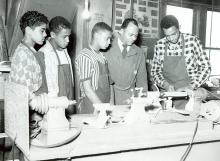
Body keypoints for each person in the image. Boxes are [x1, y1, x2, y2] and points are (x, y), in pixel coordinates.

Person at [151, 15, 211, 109]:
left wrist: (191, 86)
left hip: (189, 95)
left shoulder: (192, 41)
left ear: (179, 28)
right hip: (168, 96)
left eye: (174, 34)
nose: (171, 39)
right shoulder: (159, 45)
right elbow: (155, 72)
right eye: (167, 36)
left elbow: (206, 67)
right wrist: (165, 85)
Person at [9, 10, 48, 139]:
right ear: (28, 30)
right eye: (42, 31)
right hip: (26, 122)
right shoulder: (22, 54)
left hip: (34, 119)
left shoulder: (30, 52)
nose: (45, 34)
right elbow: (21, 96)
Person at [105, 18, 148, 105]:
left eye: (135, 36)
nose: (133, 38)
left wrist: (142, 101)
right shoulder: (106, 47)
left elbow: (142, 80)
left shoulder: (139, 53)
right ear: (121, 31)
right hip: (109, 96)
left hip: (130, 99)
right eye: (130, 34)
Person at [39, 16, 74, 115]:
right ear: (53, 34)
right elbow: (45, 90)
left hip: (68, 105)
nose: (68, 40)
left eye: (69, 36)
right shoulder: (44, 54)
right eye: (64, 36)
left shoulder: (65, 53)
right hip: (54, 108)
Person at [75, 22, 112, 113]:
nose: (109, 42)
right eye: (107, 38)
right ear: (96, 35)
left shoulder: (102, 57)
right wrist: (102, 109)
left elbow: (109, 85)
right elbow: (87, 90)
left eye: (110, 39)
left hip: (104, 104)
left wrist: (110, 106)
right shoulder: (85, 56)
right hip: (92, 107)